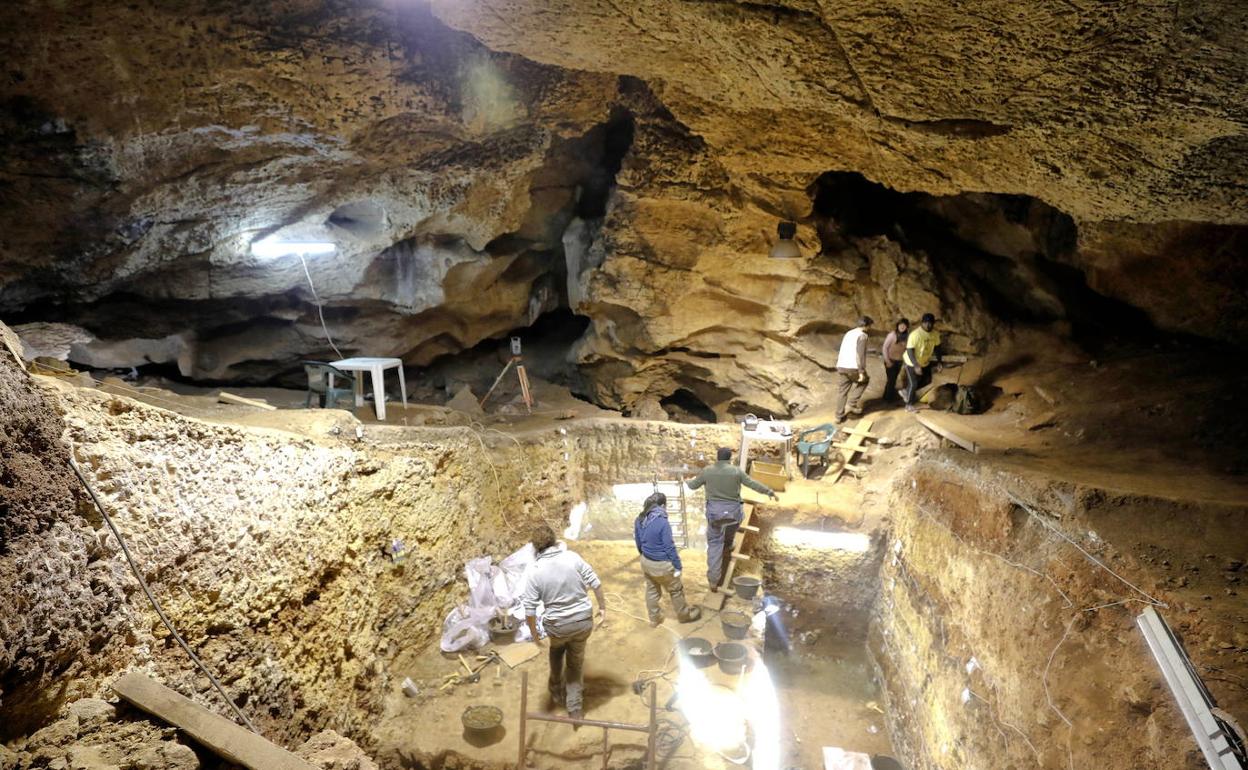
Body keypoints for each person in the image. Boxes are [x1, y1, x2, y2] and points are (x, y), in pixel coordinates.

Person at [521, 524, 606, 720]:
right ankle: (575, 708)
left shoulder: (534, 571)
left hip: (557, 626)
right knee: (575, 663)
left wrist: (535, 635)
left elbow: (529, 611)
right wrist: (602, 609)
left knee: (557, 650)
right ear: (554, 541)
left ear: (536, 548)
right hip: (582, 621)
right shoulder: (572, 557)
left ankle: (555, 687)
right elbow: (596, 583)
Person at [686, 447, 778, 590]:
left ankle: (713, 581)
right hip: (733, 514)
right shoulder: (736, 471)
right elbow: (752, 484)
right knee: (733, 525)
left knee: (715, 544)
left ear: (717, 457)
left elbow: (692, 486)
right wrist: (769, 491)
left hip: (715, 515)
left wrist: (687, 481)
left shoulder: (708, 471)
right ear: (729, 459)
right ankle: (729, 543)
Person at [633, 492, 701, 625]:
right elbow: (669, 547)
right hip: (662, 565)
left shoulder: (640, 519)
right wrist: (677, 565)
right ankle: (684, 616)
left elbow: (638, 542)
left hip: (646, 562)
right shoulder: (662, 522)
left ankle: (654, 618)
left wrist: (645, 556)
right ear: (662, 505)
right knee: (676, 590)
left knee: (652, 590)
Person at [835, 316, 873, 422]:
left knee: (842, 391)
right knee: (865, 381)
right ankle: (851, 404)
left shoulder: (849, 333)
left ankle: (839, 416)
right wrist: (861, 371)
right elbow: (860, 354)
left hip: (842, 365)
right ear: (866, 325)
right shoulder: (862, 336)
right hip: (853, 367)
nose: (870, 328)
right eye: (870, 326)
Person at [902, 313, 942, 412]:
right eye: (926, 323)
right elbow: (910, 350)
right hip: (911, 362)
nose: (928, 325)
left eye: (930, 323)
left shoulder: (935, 334)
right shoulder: (915, 334)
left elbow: (938, 348)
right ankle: (908, 405)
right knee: (913, 384)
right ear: (922, 323)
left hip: (924, 362)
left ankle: (906, 391)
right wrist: (916, 365)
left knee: (927, 380)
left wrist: (939, 362)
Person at [881, 318, 910, 403]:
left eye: (904, 325)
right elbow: (885, 348)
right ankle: (889, 399)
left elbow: (907, 349)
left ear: (907, 326)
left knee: (892, 379)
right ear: (897, 326)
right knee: (892, 379)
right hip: (890, 360)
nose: (902, 327)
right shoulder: (892, 335)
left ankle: (886, 397)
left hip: (899, 361)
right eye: (900, 325)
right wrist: (887, 361)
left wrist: (905, 361)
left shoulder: (907, 336)